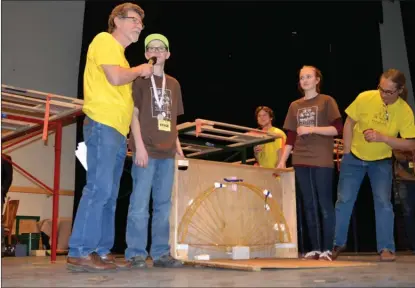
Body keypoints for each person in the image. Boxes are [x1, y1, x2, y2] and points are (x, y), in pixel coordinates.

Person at [67, 3, 153, 272]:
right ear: (117, 21)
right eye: (134, 19)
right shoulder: (105, 41)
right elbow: (115, 78)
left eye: (141, 21)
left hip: (116, 130)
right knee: (99, 188)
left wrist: (133, 139)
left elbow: (128, 105)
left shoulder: (122, 58)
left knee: (110, 193)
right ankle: (80, 250)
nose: (139, 25)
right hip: (102, 124)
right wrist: (139, 70)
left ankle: (101, 251)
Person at [332, 69, 415, 262]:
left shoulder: (404, 111)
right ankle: (336, 244)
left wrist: (383, 138)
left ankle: (386, 247)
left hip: (381, 163)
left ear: (400, 91)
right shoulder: (365, 97)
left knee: (384, 203)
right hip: (354, 158)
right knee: (344, 200)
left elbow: (411, 143)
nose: (383, 94)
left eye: (388, 91)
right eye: (381, 89)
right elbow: (349, 122)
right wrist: (345, 152)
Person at [125, 33, 184, 268]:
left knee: (163, 205)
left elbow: (172, 121)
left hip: (168, 153)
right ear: (146, 54)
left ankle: (160, 253)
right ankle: (136, 253)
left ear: (167, 54)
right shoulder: (138, 80)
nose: (156, 51)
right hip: (146, 151)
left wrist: (178, 149)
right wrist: (138, 146)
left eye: (161, 48)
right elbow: (134, 115)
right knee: (139, 204)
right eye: (151, 48)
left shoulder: (174, 84)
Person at [278, 65, 343, 261]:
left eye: (308, 76)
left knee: (324, 203)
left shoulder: (327, 101)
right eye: (301, 78)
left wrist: (312, 129)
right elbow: (290, 136)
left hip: (321, 158)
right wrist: (282, 161)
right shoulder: (294, 106)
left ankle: (328, 249)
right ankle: (314, 248)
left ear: (317, 80)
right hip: (300, 158)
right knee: (308, 204)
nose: (305, 80)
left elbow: (337, 129)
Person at [393, 149, 415, 254]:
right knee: (408, 213)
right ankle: (412, 244)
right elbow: (396, 153)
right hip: (406, 179)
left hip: (406, 177)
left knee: (408, 212)